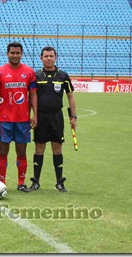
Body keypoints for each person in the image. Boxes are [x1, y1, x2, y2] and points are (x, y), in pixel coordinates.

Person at [0, 41, 37, 193]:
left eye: (18, 53)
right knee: (3, 151)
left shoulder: (29, 72)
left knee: (21, 152)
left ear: (21, 54)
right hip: (4, 119)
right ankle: (2, 183)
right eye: (12, 53)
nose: (15, 55)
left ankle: (21, 182)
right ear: (7, 54)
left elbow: (33, 94)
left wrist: (35, 114)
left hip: (23, 119)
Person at [29, 46, 77, 193]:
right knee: (39, 148)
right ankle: (36, 181)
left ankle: (59, 182)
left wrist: (73, 116)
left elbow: (70, 96)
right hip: (41, 116)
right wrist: (33, 115)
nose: (49, 58)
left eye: (51, 56)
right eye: (46, 56)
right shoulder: (36, 76)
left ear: (56, 57)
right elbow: (32, 96)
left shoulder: (63, 75)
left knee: (57, 148)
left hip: (57, 116)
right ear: (41, 58)